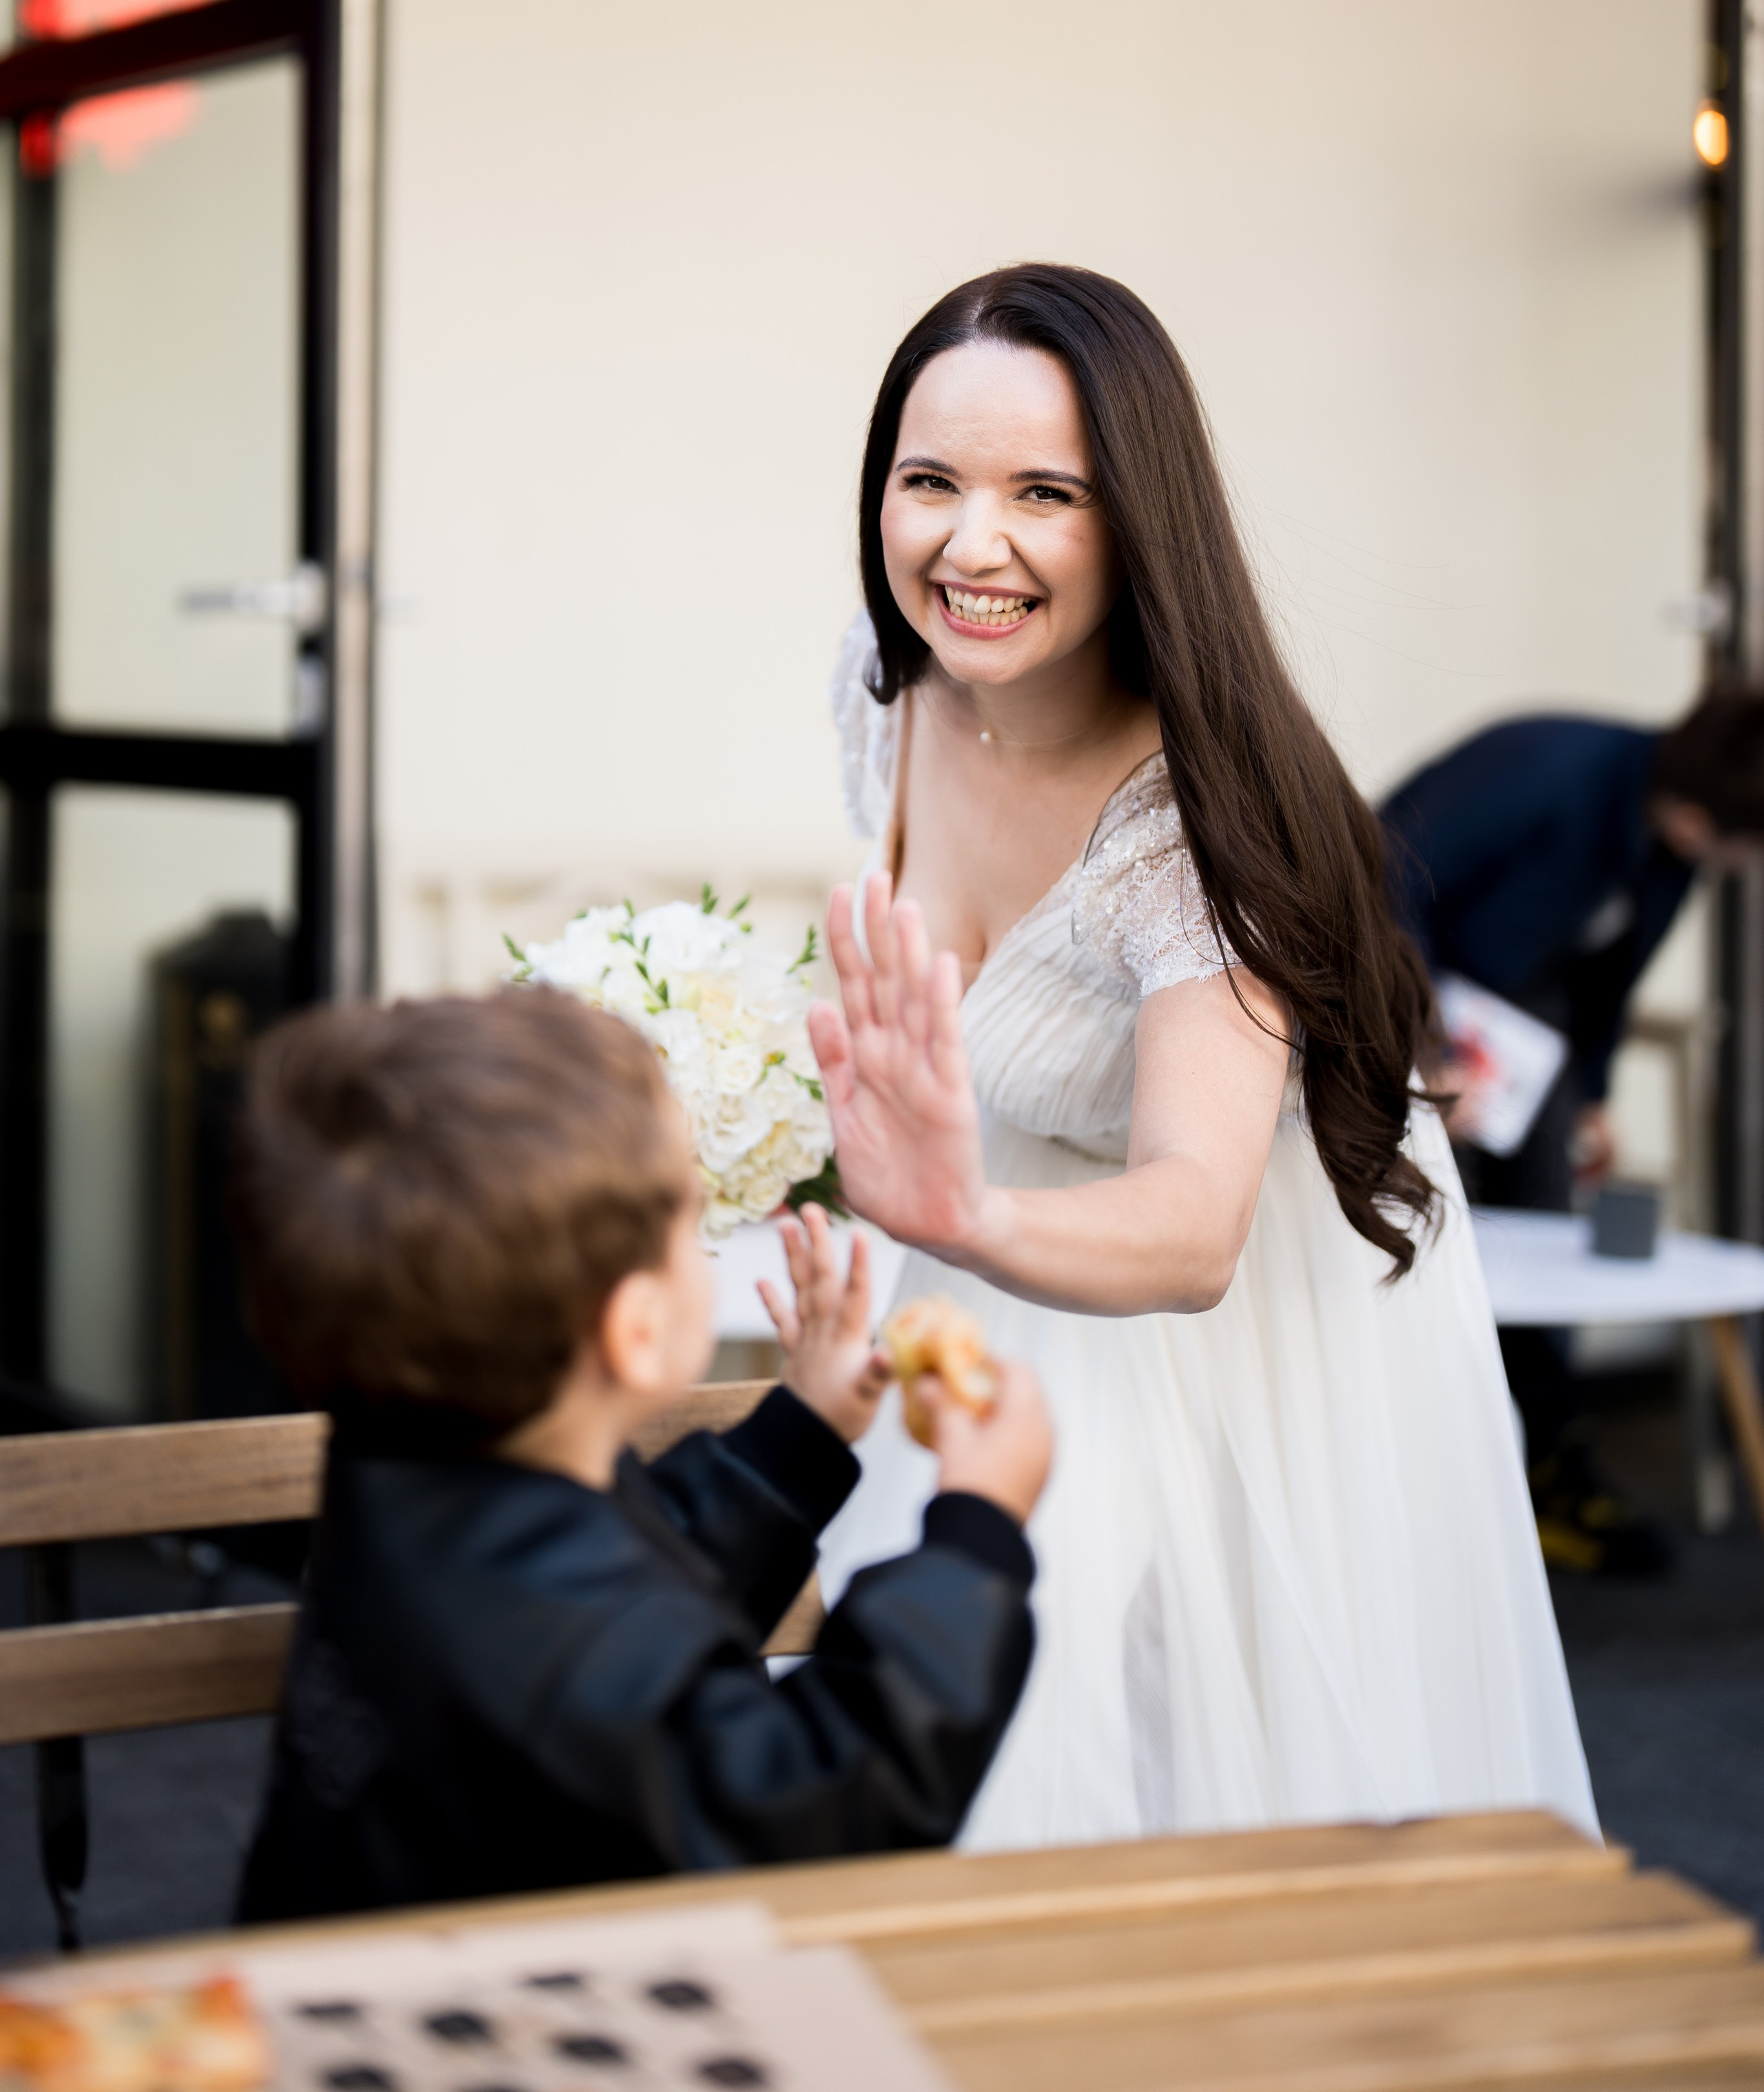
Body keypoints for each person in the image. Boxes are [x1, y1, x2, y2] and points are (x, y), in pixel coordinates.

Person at [810, 263, 1596, 1848]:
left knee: (1125, 1759)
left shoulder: (1197, 829)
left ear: (1138, 518)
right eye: (929, 481)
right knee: (927, 1712)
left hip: (1226, 1327)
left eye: (1045, 492)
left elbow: (1190, 1224)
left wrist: (953, 1206)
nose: (971, 543)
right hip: (988, 1271)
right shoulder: (883, 683)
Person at [231, 989, 1048, 1920]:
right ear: (637, 1329)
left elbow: (629, 1582)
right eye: (692, 1218)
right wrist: (976, 1533)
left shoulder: (408, 1466)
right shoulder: (561, 1632)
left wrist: (802, 1433)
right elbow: (824, 1795)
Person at [1381, 696, 1764, 1572]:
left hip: (1515, 1043)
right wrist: (1420, 1051)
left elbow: (1608, 978)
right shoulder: (1546, 767)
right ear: (1704, 820)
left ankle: (1550, 1474)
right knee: (1435, 1244)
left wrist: (1592, 1091)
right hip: (1406, 1007)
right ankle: (1434, 1500)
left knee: (1545, 1241)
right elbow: (1382, 874)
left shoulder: (1669, 846)